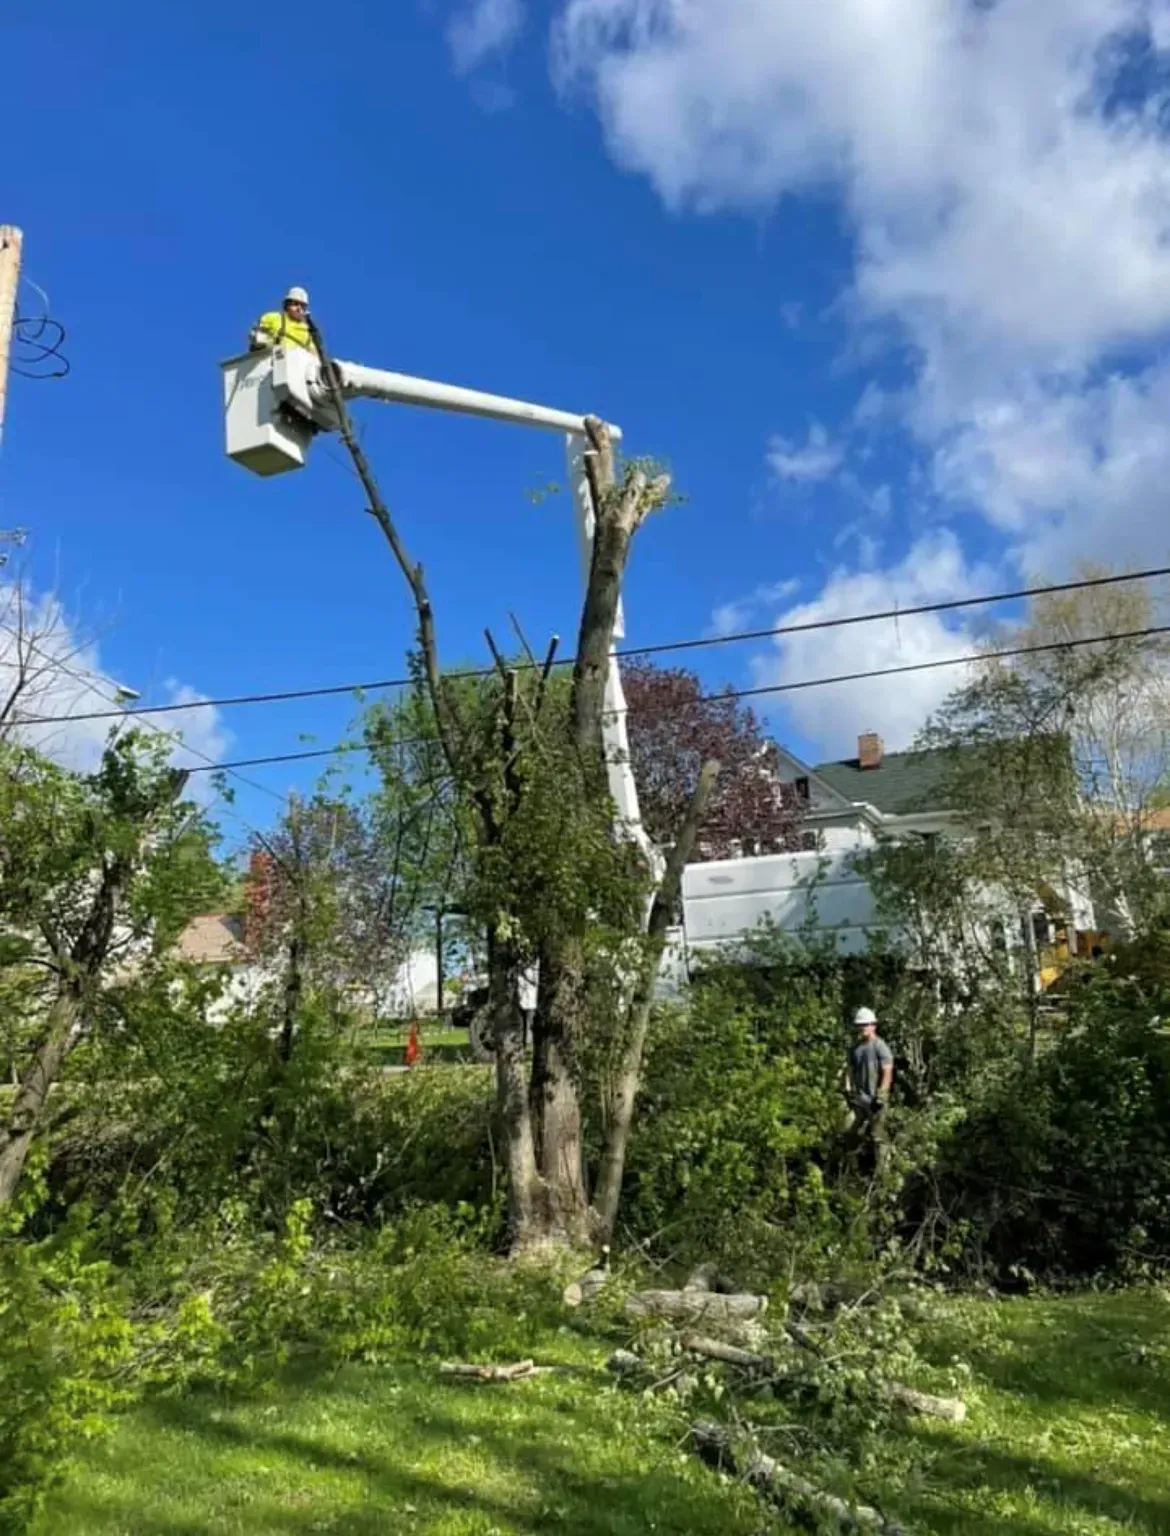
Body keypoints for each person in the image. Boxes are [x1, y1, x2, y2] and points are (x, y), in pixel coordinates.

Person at [844, 1005, 894, 1172]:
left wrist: (881, 1094)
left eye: (865, 1025)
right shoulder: (855, 1048)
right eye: (860, 1025)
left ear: (873, 1025)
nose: (862, 1028)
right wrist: (848, 1087)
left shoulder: (880, 1046)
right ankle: (853, 1171)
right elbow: (850, 1069)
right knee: (850, 1133)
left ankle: (883, 1173)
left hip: (875, 1100)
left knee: (877, 1136)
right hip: (860, 1099)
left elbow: (887, 1071)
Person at [249, 286, 318, 356]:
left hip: (298, 364)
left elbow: (314, 355)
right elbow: (257, 338)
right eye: (295, 304)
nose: (299, 308)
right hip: (274, 360)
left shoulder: (308, 331)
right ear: (286, 305)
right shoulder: (272, 318)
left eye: (303, 306)